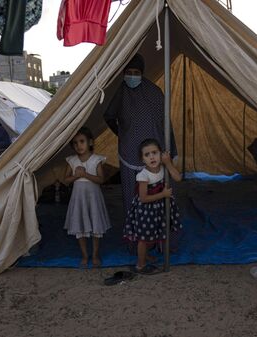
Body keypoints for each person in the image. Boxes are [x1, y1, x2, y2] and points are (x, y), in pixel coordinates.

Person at [103, 53, 178, 217]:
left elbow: (165, 122)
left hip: (153, 155)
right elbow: (109, 116)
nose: (132, 76)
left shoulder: (154, 93)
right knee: (133, 196)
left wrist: (169, 149)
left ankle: (158, 233)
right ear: (123, 73)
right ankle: (137, 232)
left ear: (142, 73)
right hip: (129, 153)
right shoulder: (120, 93)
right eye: (128, 72)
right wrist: (122, 134)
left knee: (157, 194)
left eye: (136, 73)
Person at [124, 139, 182, 274]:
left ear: (161, 154)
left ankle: (145, 255)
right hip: (146, 211)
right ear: (142, 160)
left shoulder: (163, 167)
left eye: (154, 153)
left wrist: (168, 163)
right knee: (144, 238)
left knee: (154, 234)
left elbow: (178, 178)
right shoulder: (143, 175)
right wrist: (163, 195)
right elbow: (143, 198)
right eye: (147, 155)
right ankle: (140, 264)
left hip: (158, 209)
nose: (151, 157)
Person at [64, 127, 111, 268]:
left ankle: (95, 254)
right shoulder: (71, 161)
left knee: (96, 226)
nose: (79, 146)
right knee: (80, 227)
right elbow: (66, 179)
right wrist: (75, 176)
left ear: (90, 142)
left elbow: (101, 179)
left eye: (82, 141)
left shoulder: (96, 160)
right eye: (75, 143)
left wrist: (85, 175)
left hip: (93, 199)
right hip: (79, 199)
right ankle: (85, 255)